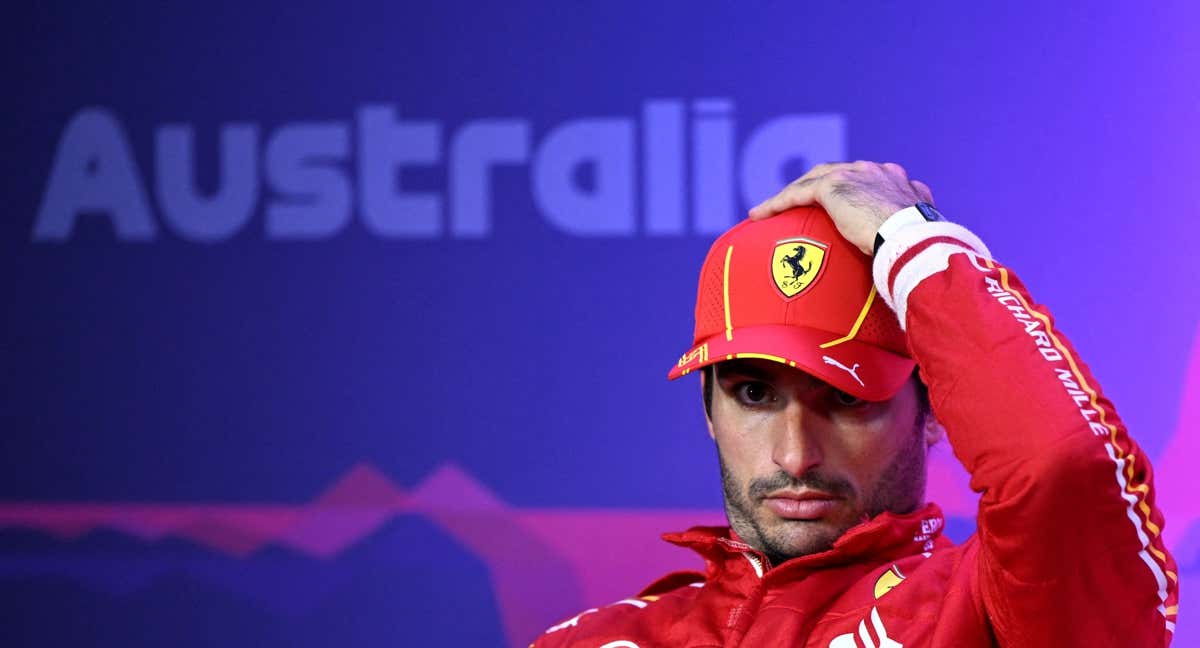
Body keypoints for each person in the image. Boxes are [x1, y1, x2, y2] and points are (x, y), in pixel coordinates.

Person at [531, 162, 1179, 647]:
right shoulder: (599, 638)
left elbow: (1060, 470)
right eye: (754, 395)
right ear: (707, 411)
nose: (795, 455)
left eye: (845, 398)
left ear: (934, 413)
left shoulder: (993, 611)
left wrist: (914, 241)